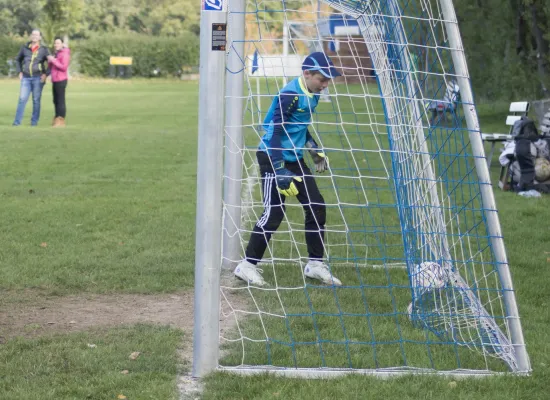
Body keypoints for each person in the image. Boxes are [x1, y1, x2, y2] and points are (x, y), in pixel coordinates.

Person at [234, 52, 342, 287]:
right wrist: (280, 169)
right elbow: (274, 132)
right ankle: (247, 265)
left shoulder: (311, 93)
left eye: (328, 80)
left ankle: (314, 264)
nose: (325, 85)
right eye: (322, 79)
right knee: (273, 213)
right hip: (273, 158)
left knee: (316, 206)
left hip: (293, 158)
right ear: (307, 74)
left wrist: (313, 149)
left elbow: (300, 127)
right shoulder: (290, 95)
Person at [12, 29, 49, 127]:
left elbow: (50, 63)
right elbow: (18, 60)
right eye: (33, 34)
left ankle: (34, 123)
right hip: (26, 78)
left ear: (40, 37)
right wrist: (19, 71)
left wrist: (46, 74)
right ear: (30, 36)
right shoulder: (24, 48)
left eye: (37, 35)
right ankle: (16, 123)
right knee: (22, 99)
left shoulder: (44, 49)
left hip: (38, 78)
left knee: (36, 100)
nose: (34, 36)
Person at [47, 37, 71, 127]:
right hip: (55, 80)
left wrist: (53, 60)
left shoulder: (65, 53)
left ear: (62, 44)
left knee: (60, 100)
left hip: (61, 80)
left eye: (58, 43)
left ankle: (61, 119)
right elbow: (51, 66)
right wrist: (50, 60)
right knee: (55, 100)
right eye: (55, 43)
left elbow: (63, 67)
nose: (56, 45)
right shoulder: (56, 53)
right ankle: (57, 117)